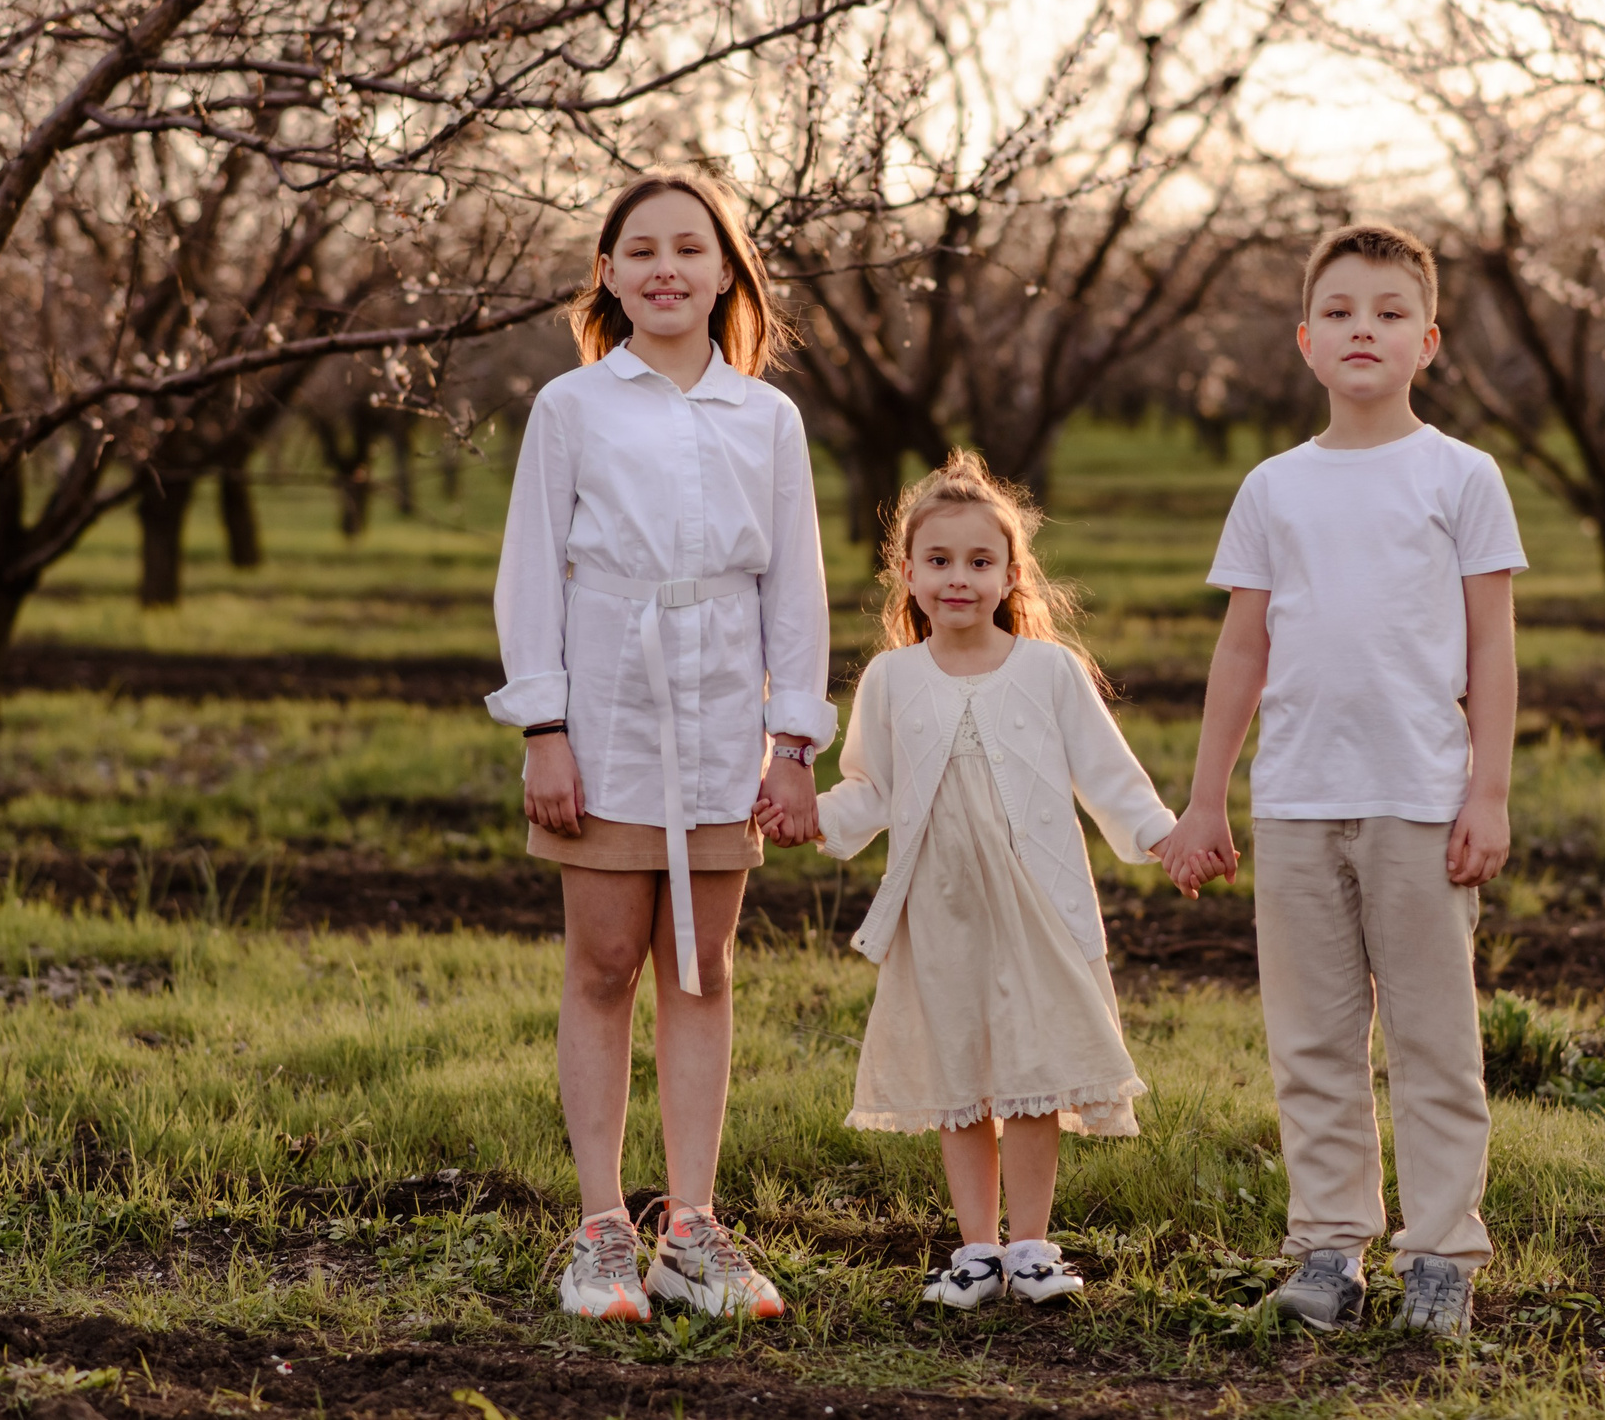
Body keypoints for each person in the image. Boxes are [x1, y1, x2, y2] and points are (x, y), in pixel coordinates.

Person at [1153, 223, 1526, 1340]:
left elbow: (1493, 646)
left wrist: (1489, 791)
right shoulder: (1275, 487)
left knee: (1433, 1040)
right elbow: (1241, 649)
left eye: (1390, 312)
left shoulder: (1461, 475)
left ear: (1428, 341)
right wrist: (1207, 796)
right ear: (1307, 340)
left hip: (1421, 800)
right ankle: (1327, 1247)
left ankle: (1441, 1253)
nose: (1366, 329)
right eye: (1342, 312)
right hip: (1298, 802)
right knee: (1312, 1039)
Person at [487, 170, 833, 1323]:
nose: (666, 268)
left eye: (689, 247)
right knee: (602, 962)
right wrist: (544, 728)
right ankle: (600, 1229)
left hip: (723, 714)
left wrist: (794, 741)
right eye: (640, 249)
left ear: (726, 270)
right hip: (607, 712)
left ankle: (691, 1227)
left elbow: (795, 586)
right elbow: (531, 572)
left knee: (701, 964)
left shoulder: (766, 417)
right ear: (609, 272)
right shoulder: (572, 406)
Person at [765, 452, 1170, 1310]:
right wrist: (812, 817)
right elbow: (871, 787)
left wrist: (1166, 838)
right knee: (960, 1074)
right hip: (939, 908)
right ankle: (977, 1250)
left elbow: (1110, 776)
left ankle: (1031, 1247)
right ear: (906, 573)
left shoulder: (1049, 670)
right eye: (940, 560)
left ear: (1011, 574)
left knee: (1030, 1069)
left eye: (981, 561)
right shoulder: (892, 678)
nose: (959, 578)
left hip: (1035, 905)